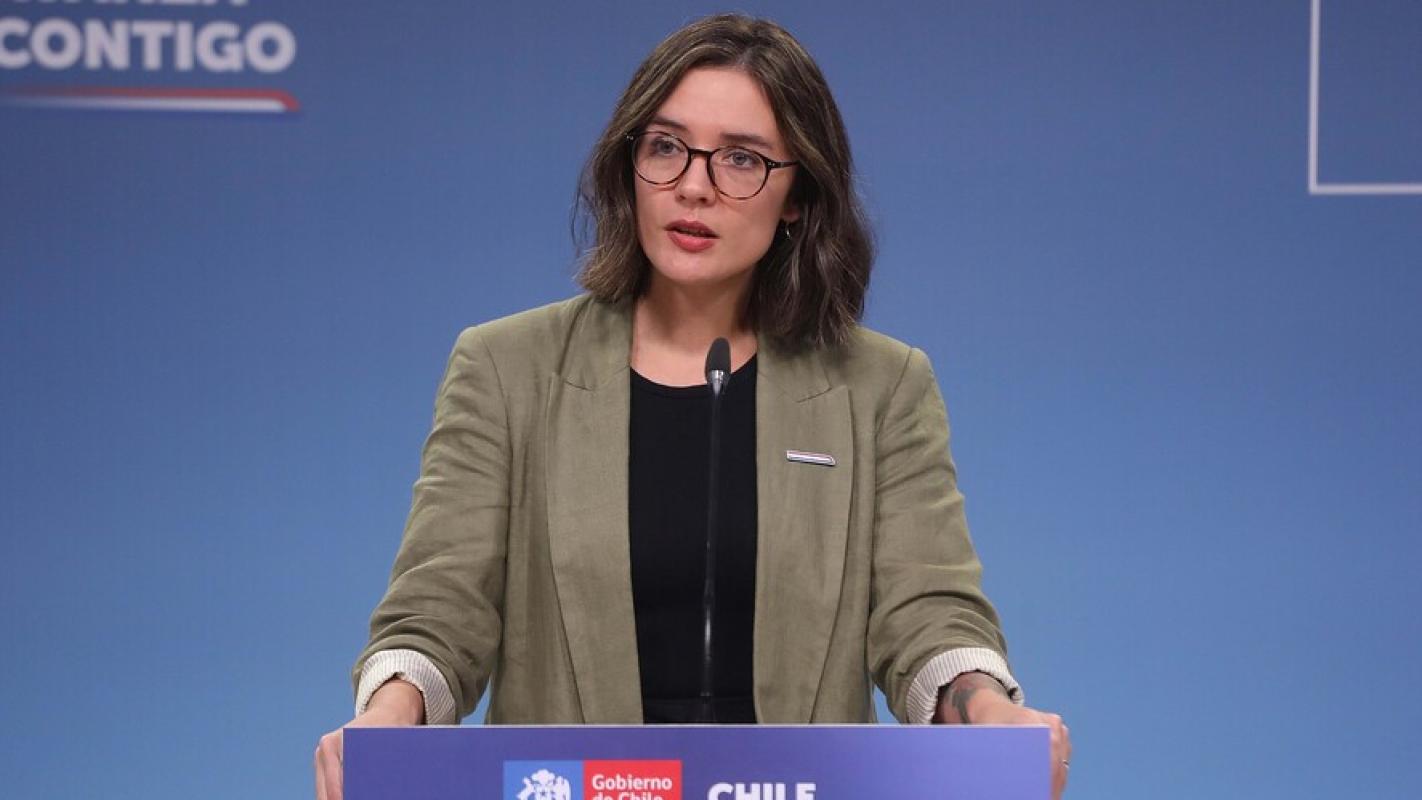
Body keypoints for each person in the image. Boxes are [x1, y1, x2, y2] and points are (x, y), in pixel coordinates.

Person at [315, 13, 1071, 800]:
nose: (694, 185)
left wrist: (987, 708)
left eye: (741, 158)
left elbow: (929, 615)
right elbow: (440, 612)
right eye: (667, 146)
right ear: (628, 164)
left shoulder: (880, 386)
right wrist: (386, 717)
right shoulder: (507, 369)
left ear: (797, 196)